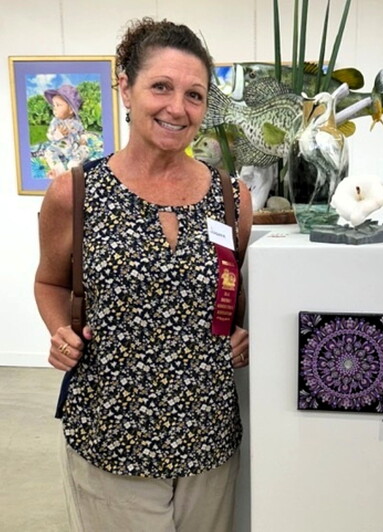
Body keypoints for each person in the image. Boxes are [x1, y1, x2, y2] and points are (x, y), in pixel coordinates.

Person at [34, 17, 252, 532]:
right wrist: (59, 331)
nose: (178, 108)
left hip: (208, 438)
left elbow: (231, 288)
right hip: (112, 436)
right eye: (161, 87)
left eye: (194, 95)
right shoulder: (75, 194)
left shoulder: (232, 198)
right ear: (125, 88)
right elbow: (50, 281)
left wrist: (243, 329)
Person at [43, 84, 90, 178]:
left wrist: (83, 139)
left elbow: (82, 132)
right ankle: (58, 170)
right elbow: (49, 135)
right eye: (53, 105)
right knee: (49, 151)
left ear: (71, 109)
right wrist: (57, 135)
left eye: (58, 105)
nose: (54, 108)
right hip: (60, 147)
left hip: (74, 147)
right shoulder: (55, 122)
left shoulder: (76, 122)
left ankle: (73, 164)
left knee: (85, 150)